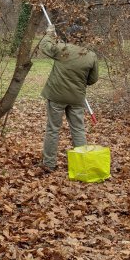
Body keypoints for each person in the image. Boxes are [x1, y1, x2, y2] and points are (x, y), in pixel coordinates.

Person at [40, 24, 99, 171]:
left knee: (53, 129)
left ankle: (49, 164)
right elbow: (92, 80)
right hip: (77, 98)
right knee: (78, 129)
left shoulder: (62, 49)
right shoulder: (91, 56)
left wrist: (49, 34)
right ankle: (81, 166)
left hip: (56, 95)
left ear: (70, 36)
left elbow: (44, 46)